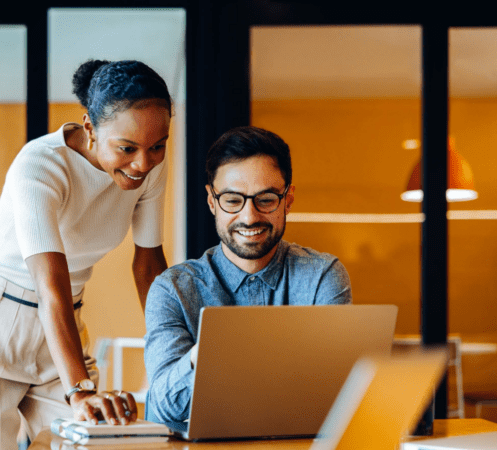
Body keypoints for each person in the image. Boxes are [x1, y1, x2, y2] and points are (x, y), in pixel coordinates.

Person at [0, 59, 172, 450]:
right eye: (127, 148)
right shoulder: (40, 165)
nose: (144, 162)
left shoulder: (148, 168)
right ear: (90, 127)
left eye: (158, 145)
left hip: (60, 334)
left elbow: (149, 267)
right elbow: (51, 287)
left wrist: (172, 353)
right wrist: (80, 389)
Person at [143, 125, 352, 426]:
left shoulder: (322, 277)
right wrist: (209, 352)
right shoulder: (172, 289)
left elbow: (338, 397)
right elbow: (165, 407)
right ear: (212, 201)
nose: (249, 216)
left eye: (266, 199)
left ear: (288, 200)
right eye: (232, 200)